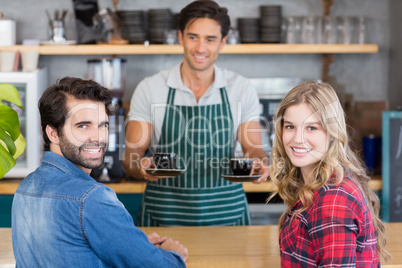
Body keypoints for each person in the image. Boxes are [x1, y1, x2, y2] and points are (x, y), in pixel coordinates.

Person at [11, 77, 188, 267]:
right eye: (83, 126)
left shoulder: (25, 188)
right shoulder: (91, 198)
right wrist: (172, 254)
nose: (97, 137)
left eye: (103, 125)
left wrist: (132, 245)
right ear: (53, 133)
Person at [123, 0, 269, 227]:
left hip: (228, 218)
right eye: (193, 37)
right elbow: (131, 153)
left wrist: (259, 163)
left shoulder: (240, 88)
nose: (200, 48)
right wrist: (140, 165)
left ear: (222, 43)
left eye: (210, 39)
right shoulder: (150, 88)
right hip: (164, 218)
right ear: (181, 38)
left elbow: (253, 148)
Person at [268, 80, 390, 267]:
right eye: (290, 127)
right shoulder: (325, 183)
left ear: (332, 133)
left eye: (312, 128)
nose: (297, 139)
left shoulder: (333, 201)